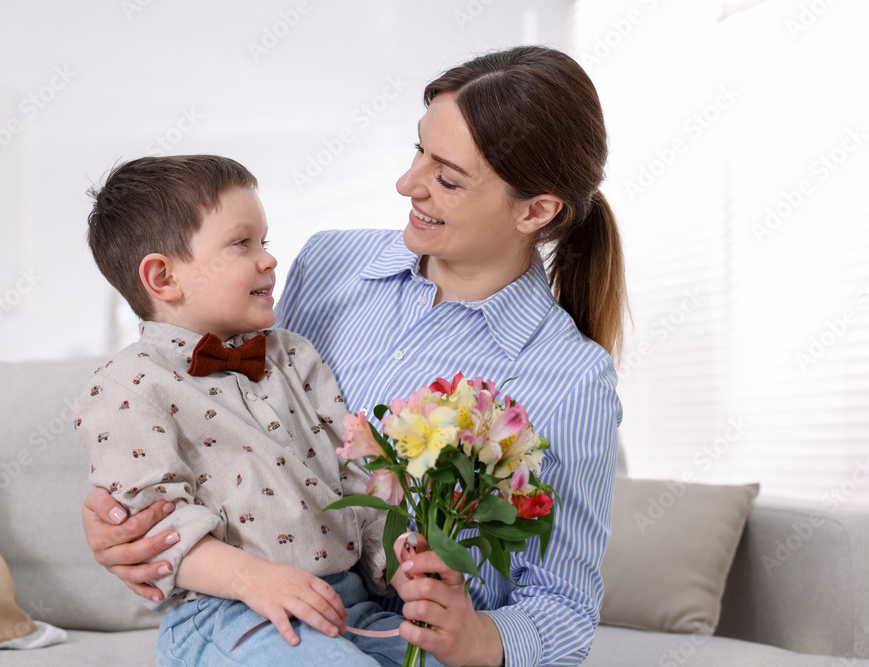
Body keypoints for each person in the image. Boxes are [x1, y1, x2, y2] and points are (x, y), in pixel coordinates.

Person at [81, 45, 626, 667]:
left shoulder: (572, 378)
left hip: (393, 632)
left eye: (448, 178)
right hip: (258, 612)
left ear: (536, 210)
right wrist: (126, 518)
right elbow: (233, 435)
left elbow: (564, 607)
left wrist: (474, 638)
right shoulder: (329, 264)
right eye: (419, 150)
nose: (407, 184)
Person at [75, 154, 435, 667]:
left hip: (349, 603)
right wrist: (254, 579)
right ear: (163, 277)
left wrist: (401, 563)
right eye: (242, 243)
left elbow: (354, 475)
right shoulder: (125, 385)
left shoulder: (295, 355)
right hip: (228, 613)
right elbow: (155, 526)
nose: (268, 260)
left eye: (264, 241)